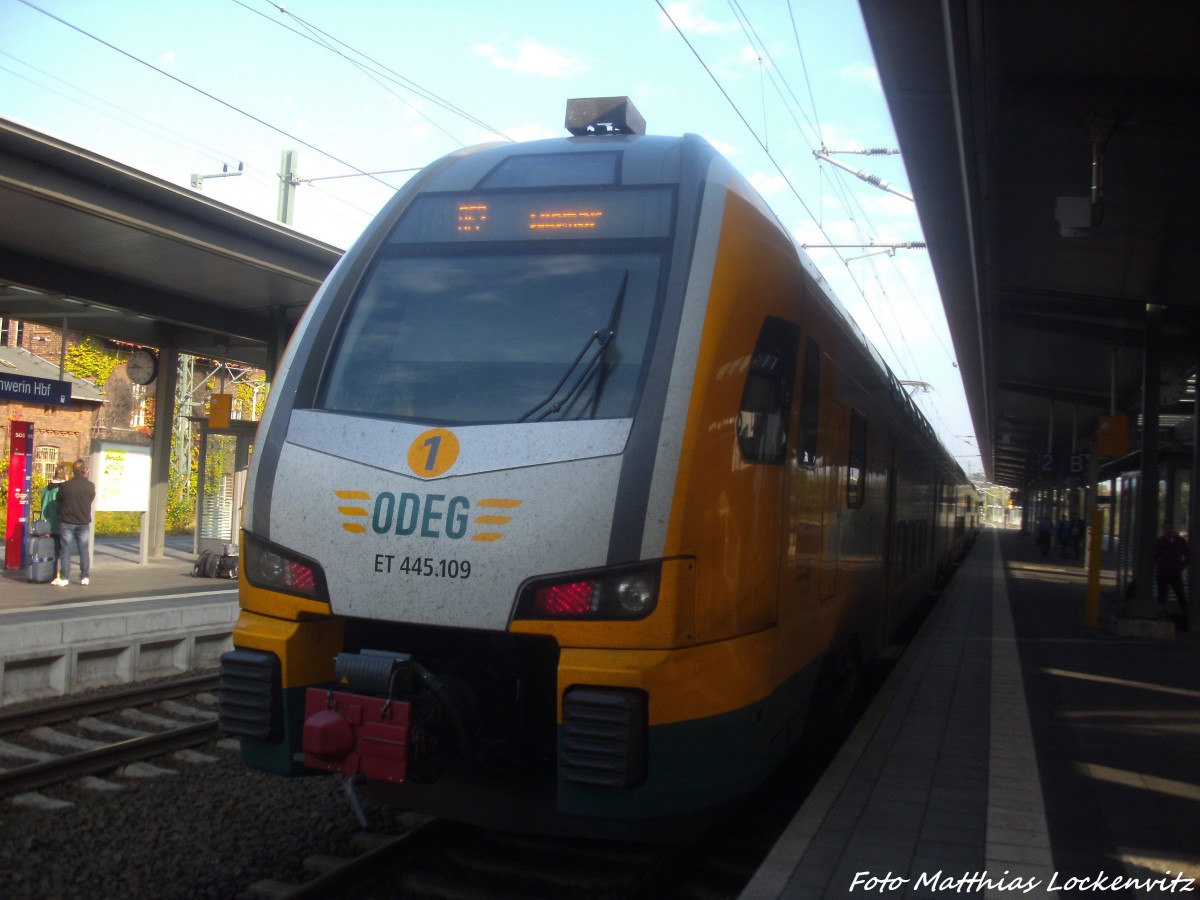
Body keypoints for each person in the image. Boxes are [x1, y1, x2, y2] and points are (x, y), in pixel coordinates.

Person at [54, 459, 96, 587]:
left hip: (67, 522)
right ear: (85, 471)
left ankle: (65, 577)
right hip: (83, 522)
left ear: (73, 471)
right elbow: (91, 498)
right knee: (83, 549)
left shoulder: (66, 485)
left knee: (66, 550)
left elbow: (58, 498)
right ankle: (84, 577)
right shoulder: (90, 486)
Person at [1154, 521, 1190, 627]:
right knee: (1161, 595)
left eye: (1170, 528)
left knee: (1180, 595)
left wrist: (1181, 567)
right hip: (1163, 572)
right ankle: (1159, 616)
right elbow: (1155, 555)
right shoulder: (1161, 541)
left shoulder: (1180, 541)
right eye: (1167, 528)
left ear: (1173, 529)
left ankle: (1185, 617)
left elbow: (1187, 555)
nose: (1169, 531)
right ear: (1164, 530)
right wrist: (1160, 564)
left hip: (1175, 573)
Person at [40, 462, 69, 582]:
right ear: (64, 475)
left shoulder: (46, 488)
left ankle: (48, 572)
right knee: (61, 550)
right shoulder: (61, 489)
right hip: (58, 523)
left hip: (46, 523)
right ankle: (57, 574)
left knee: (50, 549)